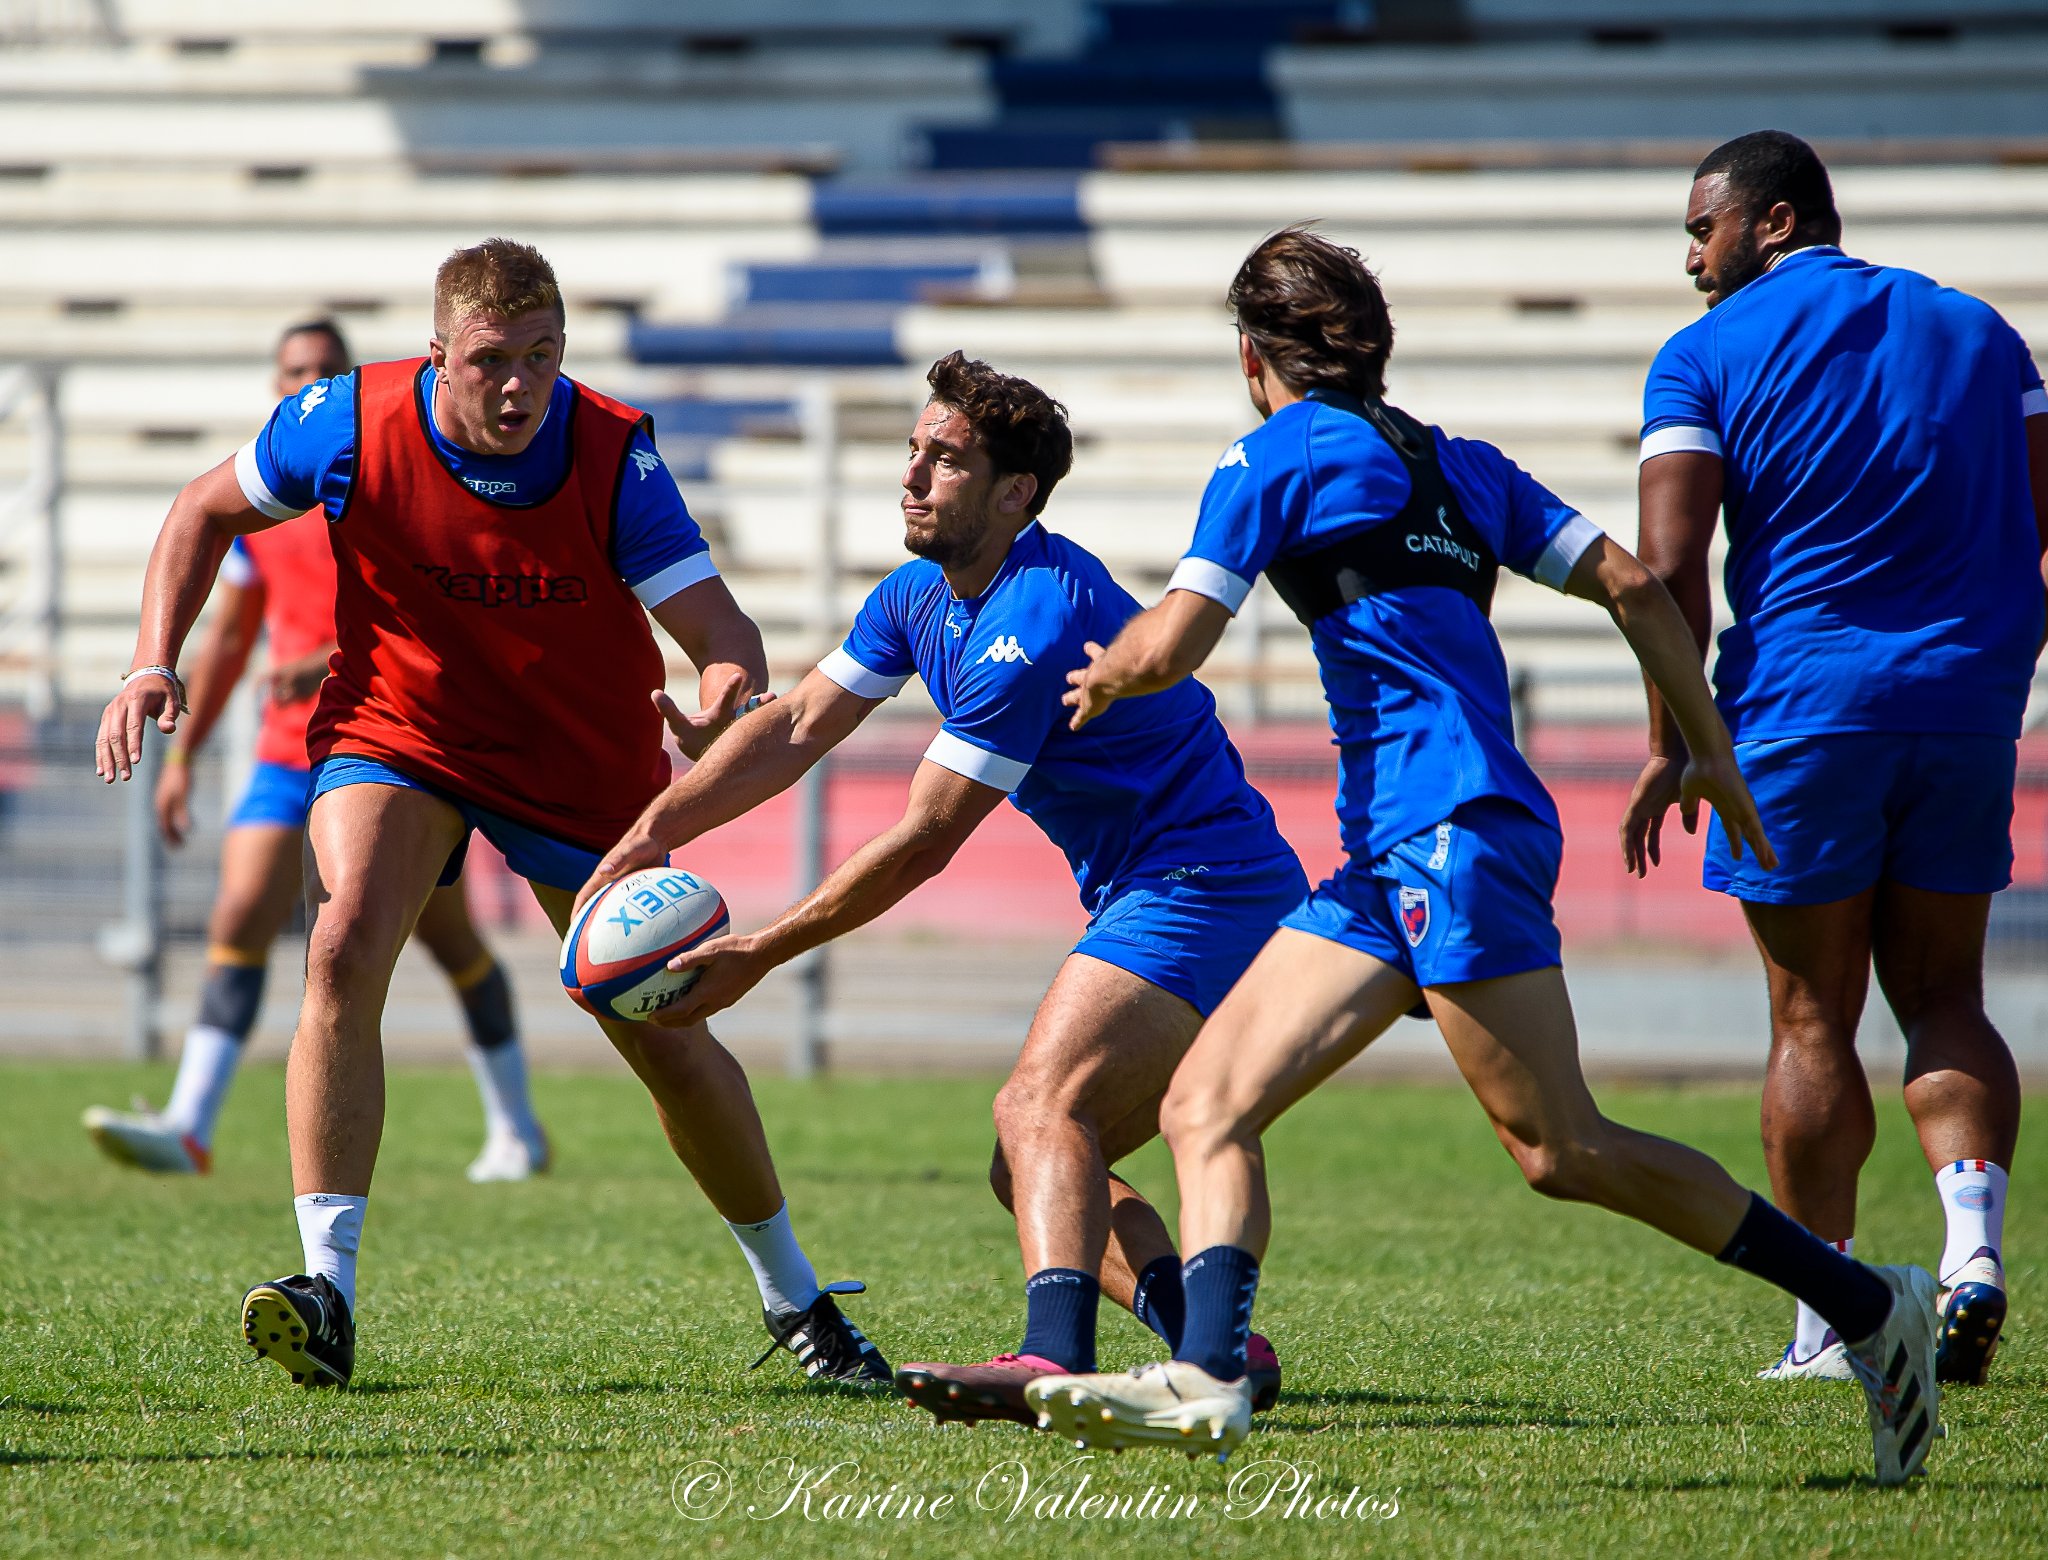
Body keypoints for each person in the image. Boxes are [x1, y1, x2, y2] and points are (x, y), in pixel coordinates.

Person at [1027, 228, 1942, 1487]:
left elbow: (1172, 644)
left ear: (1253, 354)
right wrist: (1703, 749)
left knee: (1562, 1148)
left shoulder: (1269, 453)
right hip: (1403, 850)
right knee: (1204, 1104)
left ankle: (1864, 1301)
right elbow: (1631, 583)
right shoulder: (1462, 466)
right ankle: (1210, 1376)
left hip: (1443, 835)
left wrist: (1103, 669)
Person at [93, 239, 892, 1393]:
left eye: (541, 357)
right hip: (399, 733)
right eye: (490, 361)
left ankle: (795, 1296)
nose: (520, 386)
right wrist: (146, 662)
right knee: (345, 935)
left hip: (578, 764)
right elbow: (200, 508)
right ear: (437, 356)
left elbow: (721, 634)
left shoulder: (611, 451)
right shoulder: (347, 421)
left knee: (661, 1033)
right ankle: (326, 1291)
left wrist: (726, 697)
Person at [577, 351, 1308, 1427]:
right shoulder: (918, 594)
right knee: (1037, 1164)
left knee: (1037, 1108)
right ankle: (1219, 1349)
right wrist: (648, 832)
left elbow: (924, 838)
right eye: (913, 451)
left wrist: (758, 952)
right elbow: (794, 725)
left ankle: (1046, 1359)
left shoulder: (1036, 618)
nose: (912, 475)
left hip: (1205, 885)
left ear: (1015, 494)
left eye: (946, 459)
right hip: (1172, 889)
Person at [1629, 131, 2045, 1387]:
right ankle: (1970, 1252)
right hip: (1966, 708)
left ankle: (1829, 1323)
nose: (1686, 254)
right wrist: (1993, 664)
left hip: (1804, 711)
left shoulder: (1702, 355)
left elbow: (1665, 573)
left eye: (1700, 227)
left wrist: (1673, 744)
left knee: (1810, 1015)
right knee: (1944, 996)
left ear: (1769, 219)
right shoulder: (1982, 333)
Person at [82, 319, 549, 1183]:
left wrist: (324, 659)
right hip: (281, 750)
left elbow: (446, 616)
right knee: (241, 917)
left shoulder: (383, 475)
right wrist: (183, 753)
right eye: (294, 369)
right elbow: (232, 637)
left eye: (325, 368)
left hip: (395, 745)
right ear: (275, 382)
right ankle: (190, 1125)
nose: (309, 380)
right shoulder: (262, 502)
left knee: (450, 945)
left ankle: (516, 1126)